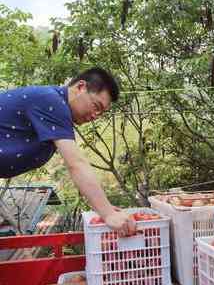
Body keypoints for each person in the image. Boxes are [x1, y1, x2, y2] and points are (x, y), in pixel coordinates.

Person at [0, 67, 136, 236]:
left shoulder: (56, 111)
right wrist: (107, 213)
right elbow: (76, 163)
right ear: (81, 87)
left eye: (101, 113)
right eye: (96, 106)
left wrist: (104, 207)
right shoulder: (51, 101)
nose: (96, 115)